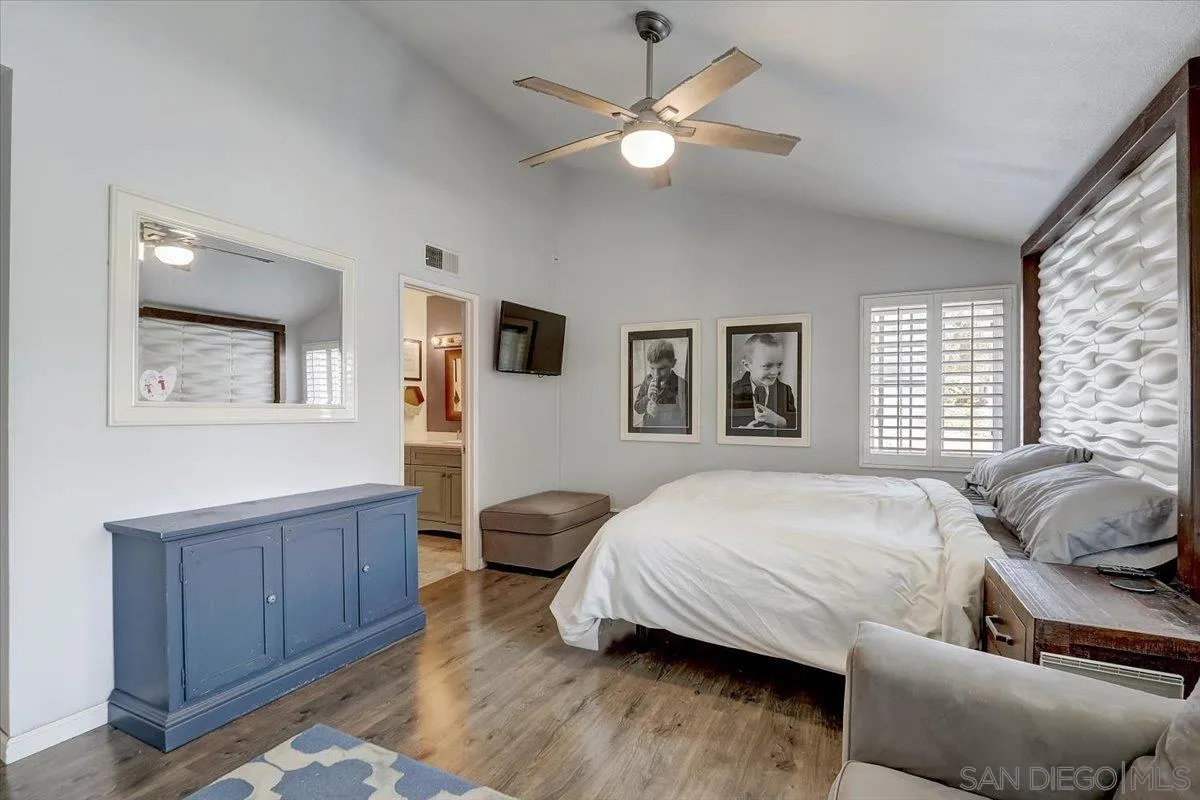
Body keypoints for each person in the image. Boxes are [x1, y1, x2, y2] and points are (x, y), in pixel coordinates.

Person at [729, 333, 797, 430]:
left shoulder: (785, 390)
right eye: (767, 366)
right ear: (747, 366)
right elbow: (724, 425)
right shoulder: (732, 391)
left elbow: (796, 424)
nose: (775, 372)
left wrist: (780, 421)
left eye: (779, 365)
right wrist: (743, 430)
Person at [633, 339, 689, 429]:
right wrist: (647, 397)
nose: (656, 374)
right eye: (652, 368)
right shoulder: (647, 380)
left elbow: (684, 420)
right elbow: (637, 408)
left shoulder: (682, 385)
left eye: (662, 368)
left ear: (673, 363)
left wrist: (658, 414)